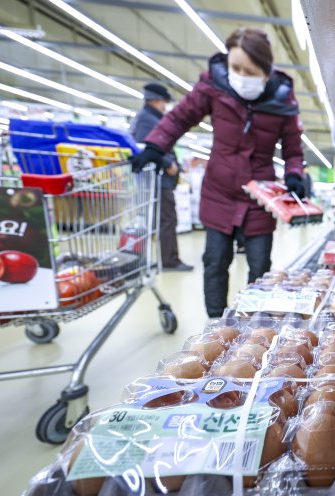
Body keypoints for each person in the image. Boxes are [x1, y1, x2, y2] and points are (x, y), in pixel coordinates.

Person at [131, 28, 306, 318]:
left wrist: (295, 175)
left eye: (249, 71)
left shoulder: (283, 102)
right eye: (235, 67)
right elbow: (180, 117)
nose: (240, 76)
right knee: (214, 261)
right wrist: (155, 146)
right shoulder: (214, 85)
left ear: (265, 72)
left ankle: (256, 326)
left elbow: (293, 150)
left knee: (260, 266)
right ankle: (215, 325)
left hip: (260, 198)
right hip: (219, 192)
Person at [129, 83, 193, 272]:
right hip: (158, 177)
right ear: (156, 101)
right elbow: (145, 147)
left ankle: (166, 258)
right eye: (164, 102)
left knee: (164, 219)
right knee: (167, 219)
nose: (165, 106)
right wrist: (167, 163)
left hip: (158, 178)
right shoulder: (147, 119)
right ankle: (170, 260)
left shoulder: (150, 118)